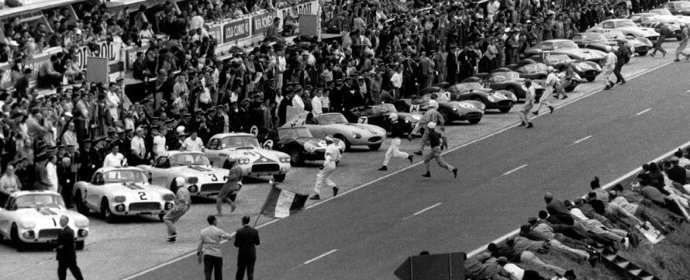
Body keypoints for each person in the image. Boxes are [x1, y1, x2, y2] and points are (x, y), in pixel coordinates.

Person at [197, 215, 234, 280]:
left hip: (207, 253)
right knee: (218, 274)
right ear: (214, 221)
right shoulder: (219, 231)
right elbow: (229, 237)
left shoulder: (203, 231)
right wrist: (236, 232)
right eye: (216, 220)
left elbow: (200, 244)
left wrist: (199, 254)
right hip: (217, 254)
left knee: (208, 272)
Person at [56, 216, 84, 280]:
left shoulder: (68, 232)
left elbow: (68, 244)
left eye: (61, 221)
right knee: (62, 271)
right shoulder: (63, 230)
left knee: (73, 270)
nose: (59, 222)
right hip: (64, 256)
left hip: (68, 256)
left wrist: (59, 248)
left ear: (65, 222)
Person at [165, 177, 191, 242]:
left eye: (176, 182)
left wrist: (175, 210)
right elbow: (190, 200)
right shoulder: (186, 189)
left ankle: (173, 232)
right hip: (185, 207)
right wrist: (187, 208)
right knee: (171, 221)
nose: (175, 184)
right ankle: (171, 236)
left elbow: (182, 201)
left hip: (180, 207)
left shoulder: (179, 191)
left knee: (166, 218)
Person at [235, 216, 260, 280]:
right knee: (250, 272)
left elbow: (236, 244)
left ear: (242, 221)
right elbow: (257, 243)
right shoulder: (254, 231)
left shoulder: (239, 231)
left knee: (240, 272)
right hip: (251, 254)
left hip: (242, 254)